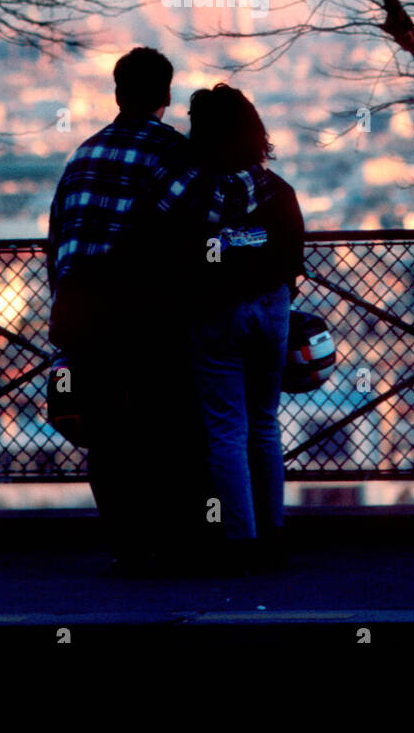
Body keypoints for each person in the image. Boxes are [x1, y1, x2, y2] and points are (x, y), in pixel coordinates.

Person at [46, 46, 189, 572]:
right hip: (142, 311)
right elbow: (191, 229)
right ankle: (167, 541)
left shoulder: (82, 154)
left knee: (104, 434)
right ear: (167, 96)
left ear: (116, 93)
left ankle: (127, 546)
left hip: (81, 310)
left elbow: (57, 236)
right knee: (163, 426)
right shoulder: (174, 152)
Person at [151, 83, 304, 571]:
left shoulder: (184, 189)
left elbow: (159, 247)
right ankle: (275, 532)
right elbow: (292, 258)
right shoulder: (277, 190)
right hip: (272, 309)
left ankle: (241, 540)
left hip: (213, 313)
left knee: (226, 429)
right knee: (265, 423)